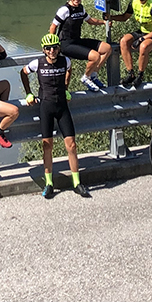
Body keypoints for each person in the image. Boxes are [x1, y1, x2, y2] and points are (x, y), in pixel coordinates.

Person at [20, 33, 91, 198]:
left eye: (55, 48)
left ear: (59, 48)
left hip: (62, 106)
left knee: (71, 145)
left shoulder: (65, 61)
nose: (52, 51)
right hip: (45, 106)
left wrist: (66, 87)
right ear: (43, 50)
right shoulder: (37, 63)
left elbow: (69, 70)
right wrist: (29, 93)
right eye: (48, 48)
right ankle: (49, 183)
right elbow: (23, 73)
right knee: (47, 146)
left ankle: (76, 183)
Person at [51, 0, 112, 93]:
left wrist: (104, 22)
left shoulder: (81, 8)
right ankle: (86, 77)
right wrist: (52, 44)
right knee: (95, 56)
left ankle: (93, 75)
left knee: (107, 48)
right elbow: (53, 27)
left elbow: (90, 21)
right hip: (66, 44)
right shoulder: (64, 10)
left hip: (77, 41)